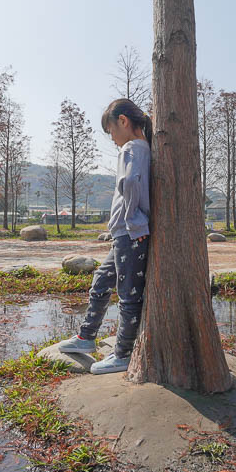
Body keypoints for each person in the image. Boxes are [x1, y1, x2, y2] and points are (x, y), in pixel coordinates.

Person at [56, 99, 152, 374]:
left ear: (123, 121)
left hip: (130, 232)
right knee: (102, 280)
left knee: (128, 294)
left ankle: (122, 355)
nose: (111, 138)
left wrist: (133, 222)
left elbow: (130, 182)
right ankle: (86, 337)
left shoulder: (131, 148)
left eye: (110, 130)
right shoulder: (140, 148)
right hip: (124, 233)